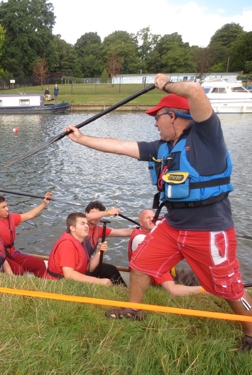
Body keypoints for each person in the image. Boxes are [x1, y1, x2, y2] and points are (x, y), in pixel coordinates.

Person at [65, 73, 252, 352]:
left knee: (228, 287)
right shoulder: (160, 148)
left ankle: (250, 334)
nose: (154, 122)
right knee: (141, 262)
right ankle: (134, 310)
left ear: (173, 116)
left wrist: (164, 84)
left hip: (210, 228)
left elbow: (195, 91)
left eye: (157, 116)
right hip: (173, 224)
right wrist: (81, 139)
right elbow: (118, 146)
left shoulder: (207, 137)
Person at [128, 209, 202, 296]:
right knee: (197, 280)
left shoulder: (142, 232)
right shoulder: (143, 242)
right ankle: (210, 291)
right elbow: (173, 290)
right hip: (155, 277)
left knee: (196, 273)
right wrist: (205, 290)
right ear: (140, 223)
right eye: (148, 218)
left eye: (154, 217)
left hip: (163, 270)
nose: (152, 219)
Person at [0, 187, 49, 277]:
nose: (7, 209)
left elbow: (29, 215)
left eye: (6, 206)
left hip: (12, 253)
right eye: (3, 207)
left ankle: (42, 287)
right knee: (19, 271)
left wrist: (44, 203)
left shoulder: (11, 218)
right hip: (0, 255)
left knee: (39, 263)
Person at [46, 212, 112, 286]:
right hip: (60, 285)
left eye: (87, 223)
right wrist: (99, 281)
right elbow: (69, 275)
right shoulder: (67, 245)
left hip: (72, 283)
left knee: (111, 270)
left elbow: (88, 268)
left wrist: (99, 251)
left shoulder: (80, 241)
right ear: (72, 228)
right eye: (82, 223)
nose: (87, 226)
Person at [84, 201, 131, 285]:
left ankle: (123, 291)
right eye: (95, 213)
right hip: (77, 267)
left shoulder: (99, 229)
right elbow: (88, 217)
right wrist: (109, 212)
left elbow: (123, 232)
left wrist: (143, 230)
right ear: (86, 213)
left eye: (99, 214)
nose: (96, 217)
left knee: (112, 270)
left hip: (87, 264)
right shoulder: (79, 226)